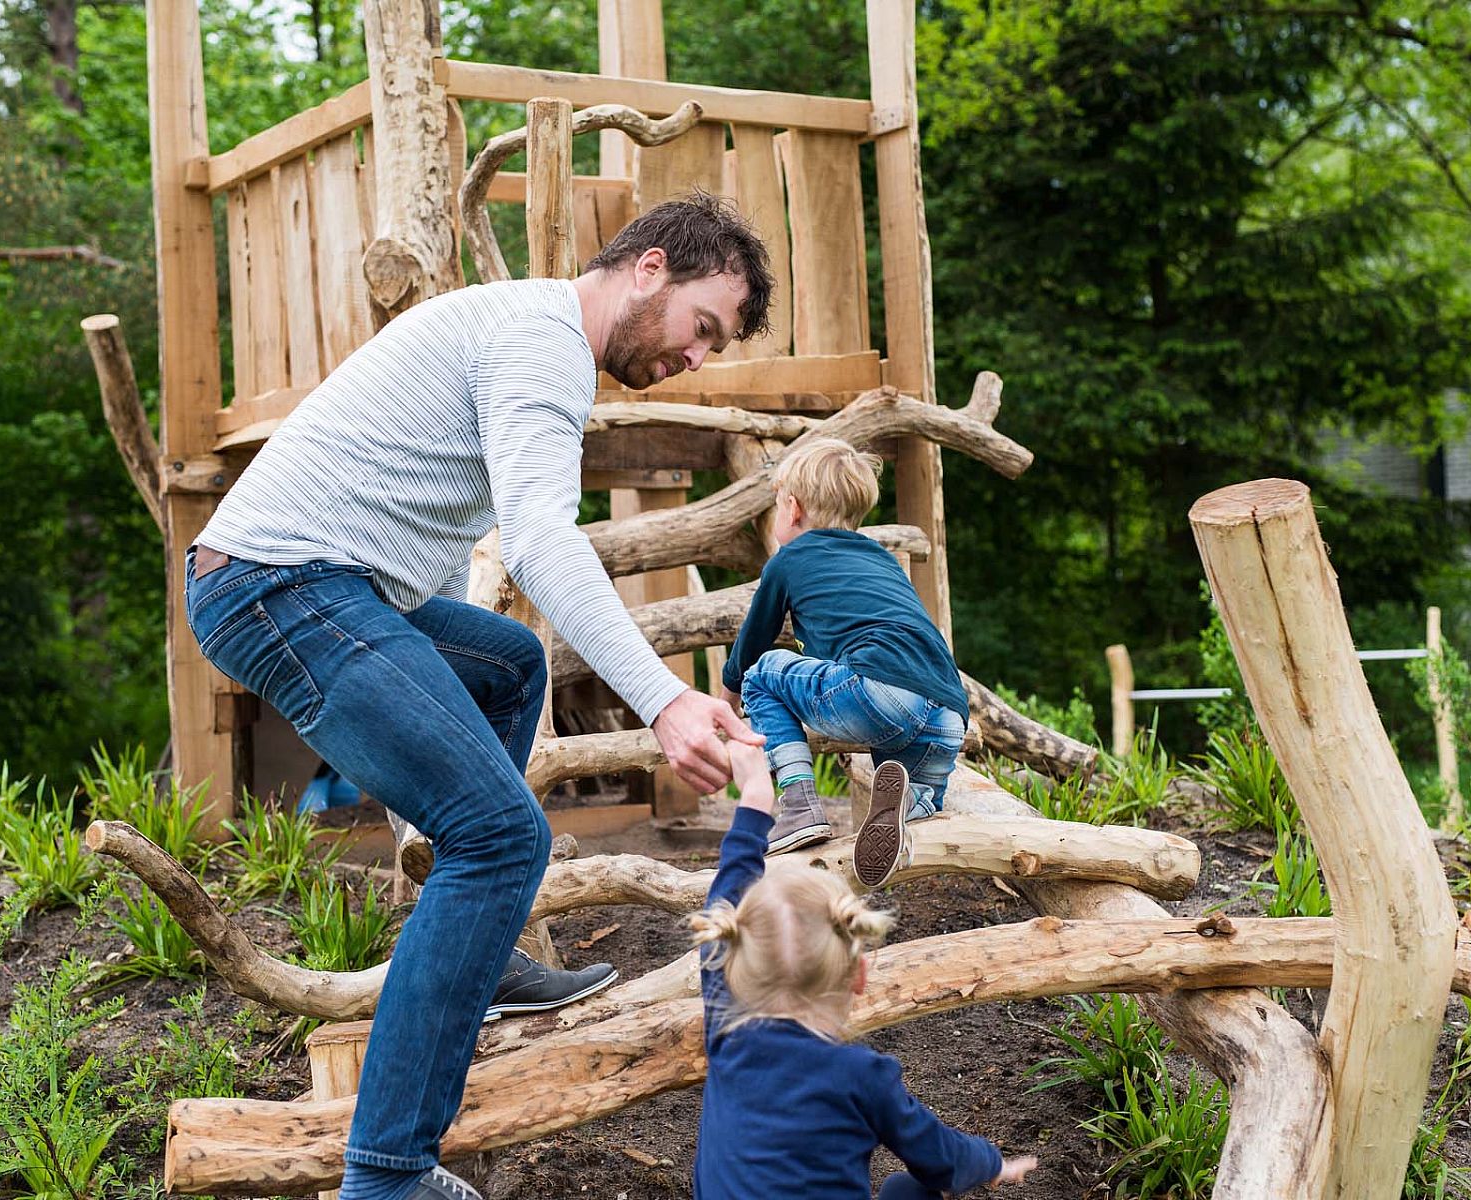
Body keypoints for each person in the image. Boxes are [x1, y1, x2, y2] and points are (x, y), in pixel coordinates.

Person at [184, 193, 772, 1200]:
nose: (696, 359)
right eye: (701, 327)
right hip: (281, 584)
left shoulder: (524, 329)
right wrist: (666, 702)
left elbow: (441, 532)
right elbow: (541, 543)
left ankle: (479, 949)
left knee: (503, 661)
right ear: (649, 270)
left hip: (329, 585)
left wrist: (432, 746)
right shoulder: (542, 342)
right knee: (504, 838)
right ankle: (388, 1175)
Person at [690, 738, 1038, 1198]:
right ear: (859, 973)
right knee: (906, 1191)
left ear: (733, 952)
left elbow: (726, 892)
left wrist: (755, 796)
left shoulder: (726, 1032)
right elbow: (942, 1161)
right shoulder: (861, 1075)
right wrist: (992, 1163)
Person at [719, 437, 969, 888]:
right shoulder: (881, 560)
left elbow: (749, 649)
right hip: (948, 713)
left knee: (763, 674)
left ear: (792, 510)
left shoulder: (790, 559)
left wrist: (725, 705)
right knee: (915, 787)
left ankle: (798, 806)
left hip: (874, 691)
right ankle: (911, 801)